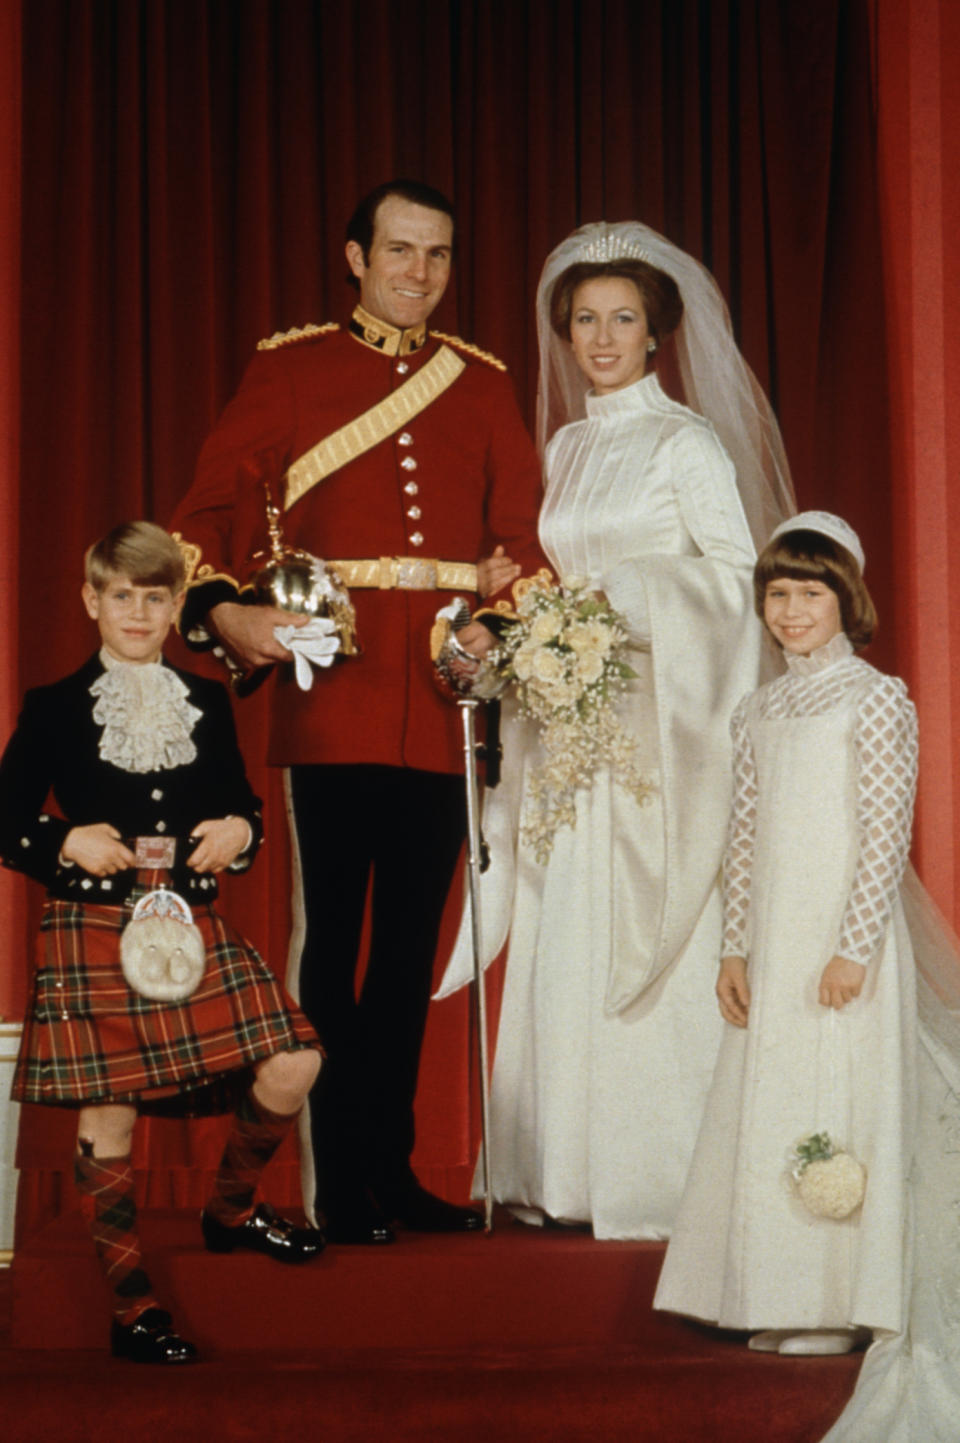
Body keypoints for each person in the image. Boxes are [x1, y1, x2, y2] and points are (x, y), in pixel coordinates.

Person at [169, 180, 547, 1244]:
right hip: (332, 693)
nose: (418, 273)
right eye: (398, 251)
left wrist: (498, 626)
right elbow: (198, 518)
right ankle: (336, 1182)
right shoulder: (289, 368)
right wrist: (224, 615)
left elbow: (520, 540)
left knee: (411, 950)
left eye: (437, 255)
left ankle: (392, 1170)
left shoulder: (481, 386)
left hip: (438, 699)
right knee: (331, 944)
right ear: (354, 256)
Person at [437, 221, 794, 1238]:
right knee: (567, 916)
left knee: (646, 916)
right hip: (568, 726)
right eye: (585, 319)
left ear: (656, 333)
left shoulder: (687, 440)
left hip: (657, 735)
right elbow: (554, 569)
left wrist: (610, 606)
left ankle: (658, 1169)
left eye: (622, 319)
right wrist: (533, 621)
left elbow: (736, 580)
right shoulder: (568, 443)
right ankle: (562, 1169)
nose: (601, 338)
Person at [655, 513, 960, 1442]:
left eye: (811, 594)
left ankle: (838, 1295)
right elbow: (742, 842)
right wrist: (734, 948)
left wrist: (855, 945)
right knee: (775, 1099)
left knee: (840, 1096)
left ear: (846, 601)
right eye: (779, 595)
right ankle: (780, 1289)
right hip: (776, 942)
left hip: (840, 942)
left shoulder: (875, 698)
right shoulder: (760, 709)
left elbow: (883, 831)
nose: (792, 611)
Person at [0, 522, 325, 1364]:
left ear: (178, 605)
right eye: (121, 596)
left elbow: (243, 806)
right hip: (92, 915)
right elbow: (4, 817)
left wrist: (237, 830)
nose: (137, 613)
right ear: (91, 600)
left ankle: (230, 1210)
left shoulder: (207, 701)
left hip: (183, 910)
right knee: (110, 1106)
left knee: (293, 1060)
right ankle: (132, 1305)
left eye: (155, 598)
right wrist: (63, 842)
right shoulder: (53, 706)